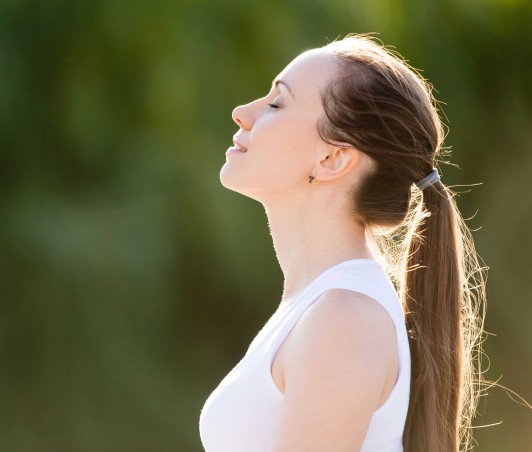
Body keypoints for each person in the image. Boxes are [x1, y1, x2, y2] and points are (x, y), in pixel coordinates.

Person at [198, 34, 487, 452]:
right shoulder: (321, 308)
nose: (242, 113)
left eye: (277, 103)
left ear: (333, 159)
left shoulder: (343, 318)